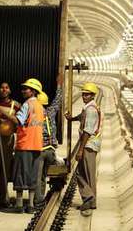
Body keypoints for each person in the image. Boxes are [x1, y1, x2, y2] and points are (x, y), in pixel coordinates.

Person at [0, 78, 44, 214]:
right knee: (32, 175)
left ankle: (19, 205)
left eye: (25, 89)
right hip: (37, 145)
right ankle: (31, 205)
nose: (23, 91)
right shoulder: (40, 106)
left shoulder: (27, 105)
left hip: (25, 144)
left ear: (32, 91)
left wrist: (0, 110)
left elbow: (18, 120)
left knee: (20, 174)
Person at [65, 82, 101, 217]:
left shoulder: (90, 110)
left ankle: (89, 197)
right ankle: (91, 201)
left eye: (87, 94)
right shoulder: (90, 107)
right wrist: (72, 118)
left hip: (88, 145)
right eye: (83, 94)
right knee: (88, 174)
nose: (84, 96)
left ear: (92, 95)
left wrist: (80, 150)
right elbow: (82, 118)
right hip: (91, 145)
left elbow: (87, 131)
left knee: (80, 173)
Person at [35, 75, 63, 207]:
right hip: (51, 151)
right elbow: (58, 101)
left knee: (38, 176)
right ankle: (41, 198)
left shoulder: (34, 114)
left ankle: (38, 200)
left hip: (40, 151)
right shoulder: (50, 112)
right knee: (44, 175)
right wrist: (59, 85)